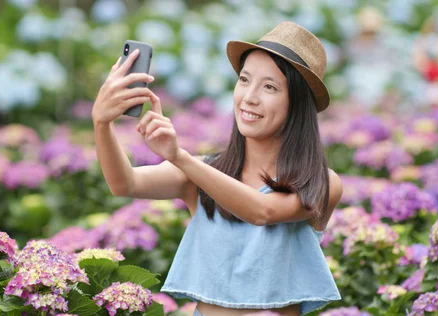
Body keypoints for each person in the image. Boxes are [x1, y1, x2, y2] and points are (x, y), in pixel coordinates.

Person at [92, 21, 343, 316]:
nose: (249, 97)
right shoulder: (203, 172)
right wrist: (102, 123)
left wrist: (180, 157)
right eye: (245, 80)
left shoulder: (321, 183)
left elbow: (262, 212)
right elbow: (125, 183)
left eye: (270, 87)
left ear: (298, 104)